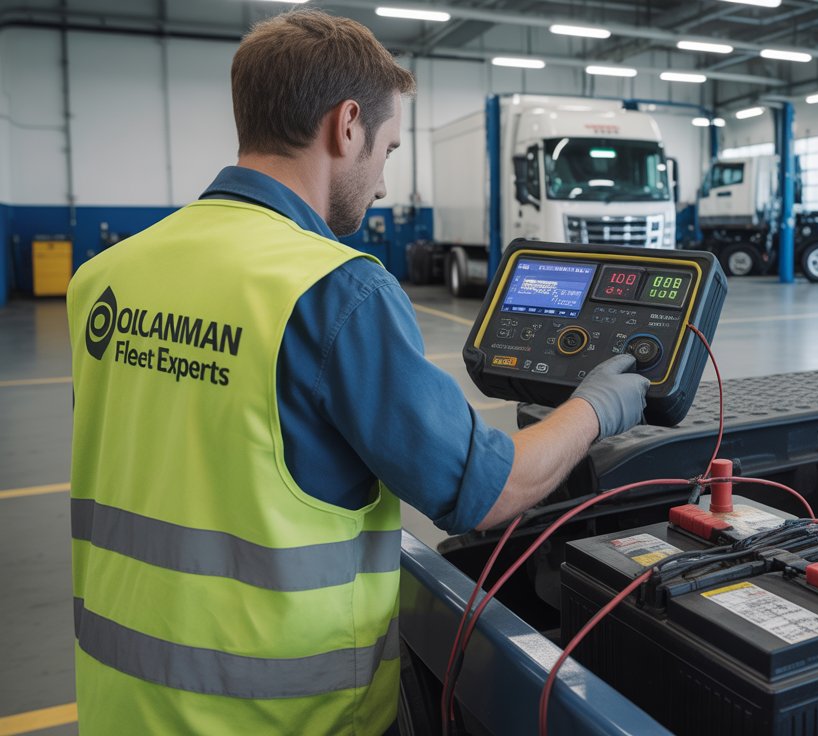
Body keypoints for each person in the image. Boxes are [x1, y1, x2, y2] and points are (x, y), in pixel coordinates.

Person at [65, 9, 648, 735]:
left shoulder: (107, 276)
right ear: (347, 126)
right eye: (388, 150)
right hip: (277, 717)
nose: (379, 182)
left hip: (121, 703)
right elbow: (487, 491)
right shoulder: (333, 289)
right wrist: (598, 407)